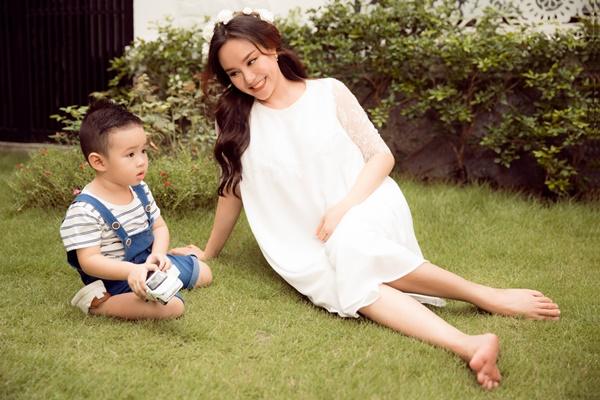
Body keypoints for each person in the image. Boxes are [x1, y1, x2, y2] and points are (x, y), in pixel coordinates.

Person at [175, 8, 560, 389]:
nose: (248, 78)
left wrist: (343, 209)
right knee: (351, 282)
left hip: (363, 203)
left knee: (352, 248)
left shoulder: (328, 92)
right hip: (303, 240)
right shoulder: (234, 118)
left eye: (252, 61)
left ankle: (485, 296)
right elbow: (232, 188)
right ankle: (468, 344)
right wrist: (209, 251)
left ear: (272, 47)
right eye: (234, 73)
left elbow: (381, 156)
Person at [60, 100, 212, 320]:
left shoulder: (139, 190)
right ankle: (99, 304)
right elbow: (89, 261)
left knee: (204, 272)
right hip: (116, 279)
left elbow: (159, 227)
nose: (141, 161)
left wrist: (158, 254)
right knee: (173, 307)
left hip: (148, 264)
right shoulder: (85, 209)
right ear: (99, 162)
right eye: (130, 155)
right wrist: (131, 271)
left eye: (143, 151)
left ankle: (159, 278)